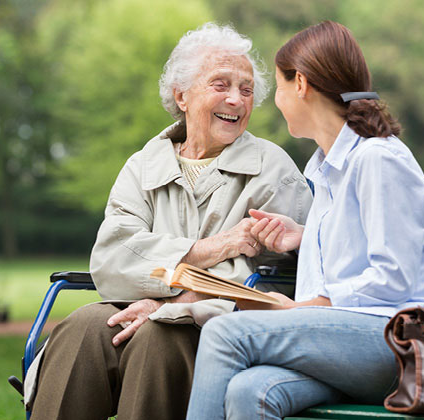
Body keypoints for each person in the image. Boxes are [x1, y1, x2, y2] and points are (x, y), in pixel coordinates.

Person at [30, 23, 312, 420]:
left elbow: (273, 277)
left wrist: (168, 304)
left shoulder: (273, 170)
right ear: (182, 94)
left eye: (246, 89)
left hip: (218, 329)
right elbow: (112, 256)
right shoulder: (143, 166)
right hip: (136, 308)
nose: (235, 99)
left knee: (158, 338)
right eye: (220, 84)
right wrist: (215, 247)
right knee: (83, 327)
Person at [185, 21, 424, 420]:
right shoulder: (326, 168)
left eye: (278, 88)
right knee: (250, 391)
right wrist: (303, 236)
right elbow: (361, 247)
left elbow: (394, 277)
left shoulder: (378, 159)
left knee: (225, 333)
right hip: (351, 345)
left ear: (301, 83)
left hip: (404, 344)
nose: (274, 102)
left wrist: (305, 307)